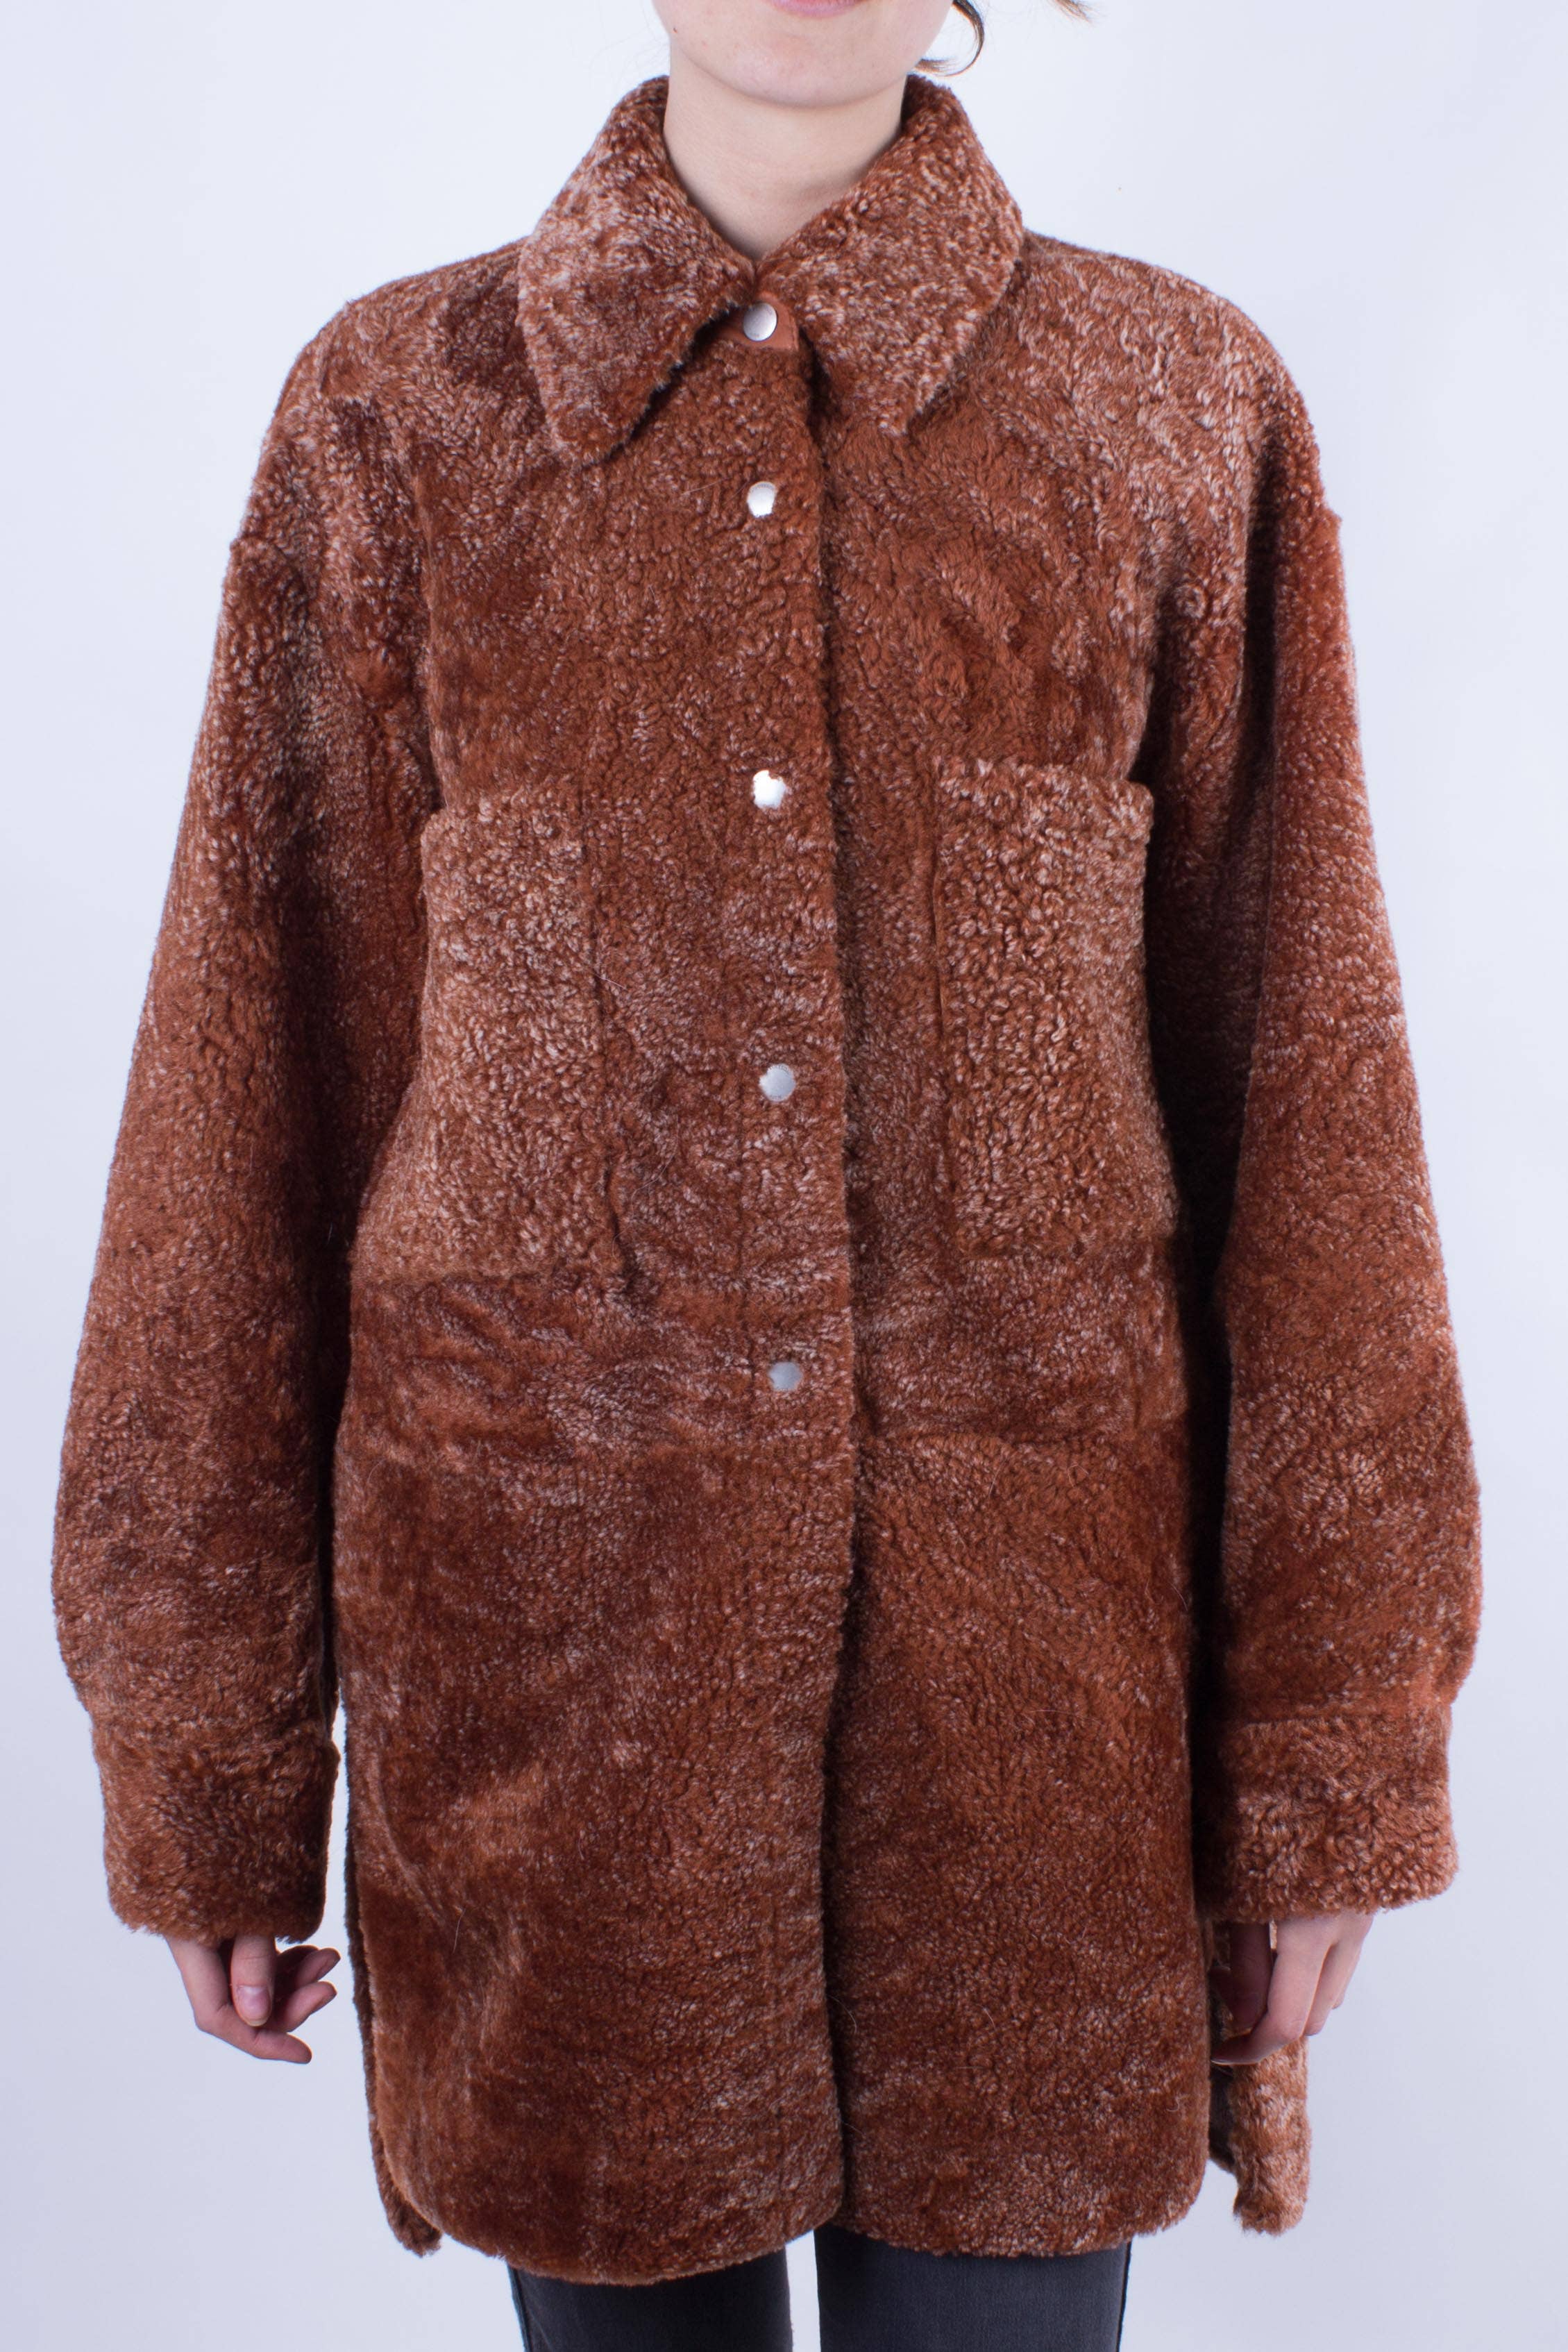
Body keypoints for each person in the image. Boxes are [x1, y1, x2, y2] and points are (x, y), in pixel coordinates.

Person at [51, 1, 1483, 2346]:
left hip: (1034, 1772)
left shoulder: (1167, 402)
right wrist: (208, 1752)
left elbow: (1311, 1125)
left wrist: (1327, 1758)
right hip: (559, 1749)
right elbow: (245, 1107)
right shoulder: (394, 417)